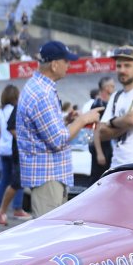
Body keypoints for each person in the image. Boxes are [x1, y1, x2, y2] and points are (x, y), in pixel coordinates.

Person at [15, 41, 100, 216]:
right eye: (66, 61)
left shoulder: (38, 87)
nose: (69, 65)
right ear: (54, 65)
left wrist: (66, 121)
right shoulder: (42, 93)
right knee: (50, 230)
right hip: (48, 177)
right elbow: (58, 140)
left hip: (47, 176)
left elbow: (45, 132)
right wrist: (84, 119)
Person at [0, 83, 22, 226]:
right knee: (19, 179)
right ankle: (17, 207)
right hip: (13, 147)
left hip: (3, 148)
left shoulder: (0, 111)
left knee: (4, 179)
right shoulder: (14, 109)